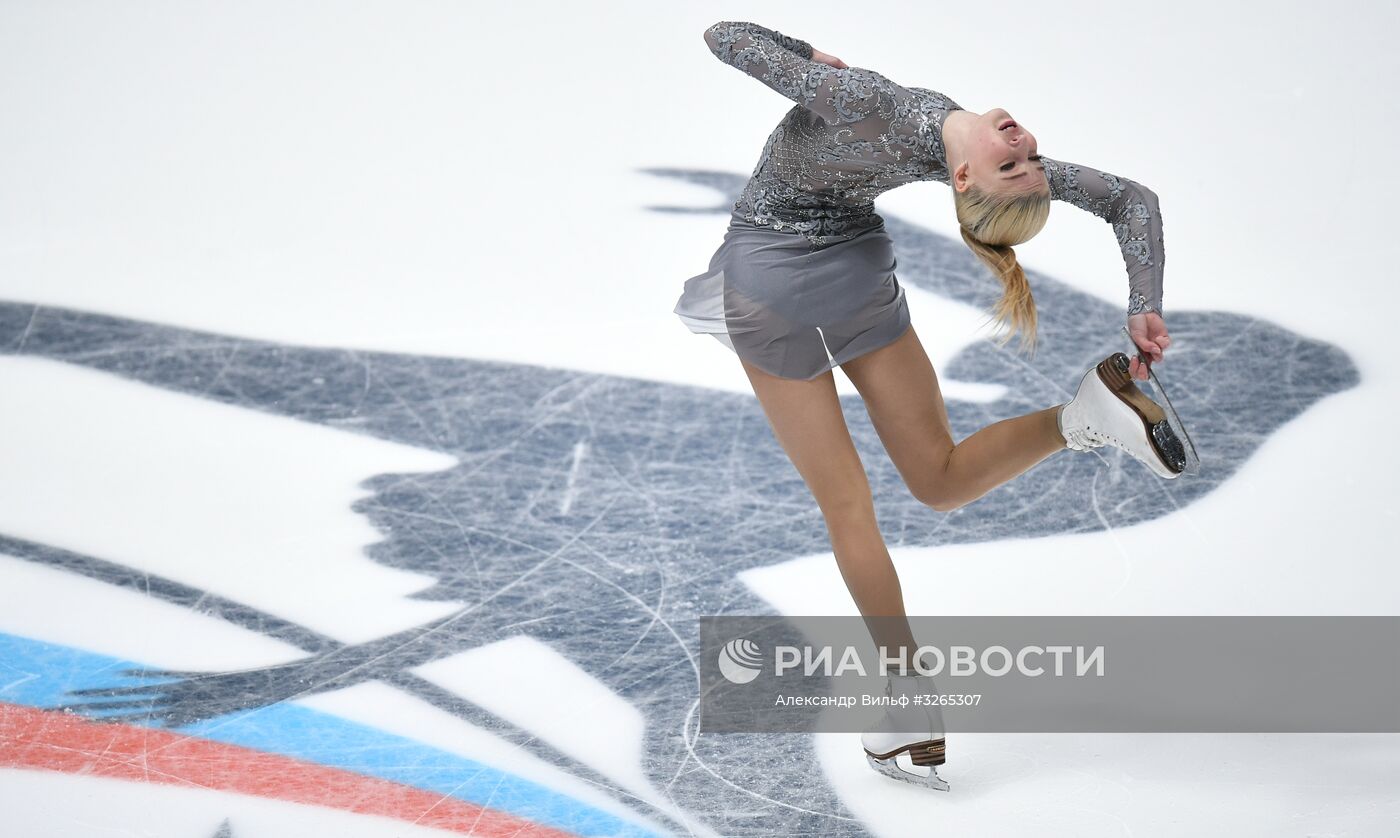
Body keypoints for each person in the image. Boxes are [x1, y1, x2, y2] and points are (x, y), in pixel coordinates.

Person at [673, 20, 1188, 792]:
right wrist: (1143, 304)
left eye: (1015, 163)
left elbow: (725, 37)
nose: (1024, 147)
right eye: (1028, 160)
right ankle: (1078, 417)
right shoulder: (943, 139)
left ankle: (908, 699)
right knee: (939, 479)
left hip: (774, 279)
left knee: (849, 507)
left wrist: (805, 58)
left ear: (964, 183)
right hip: (854, 271)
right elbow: (1128, 199)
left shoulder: (869, 102)